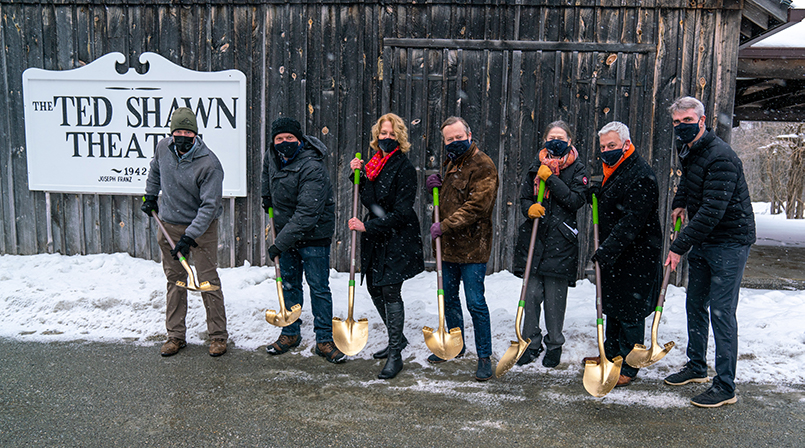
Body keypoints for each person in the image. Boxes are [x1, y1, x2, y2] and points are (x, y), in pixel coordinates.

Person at [663, 96, 756, 408]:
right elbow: (689, 181)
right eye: (677, 123)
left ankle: (725, 385)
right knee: (695, 303)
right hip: (705, 239)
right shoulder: (689, 148)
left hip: (730, 239)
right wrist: (679, 202)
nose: (682, 127)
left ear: (702, 121)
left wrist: (678, 247)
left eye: (688, 121)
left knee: (722, 312)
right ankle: (696, 366)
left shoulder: (722, 157)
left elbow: (711, 212)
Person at [142, 107, 228, 357]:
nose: (182, 136)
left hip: (201, 230)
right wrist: (150, 194)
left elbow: (210, 207)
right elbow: (155, 169)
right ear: (171, 133)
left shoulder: (209, 164)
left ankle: (218, 336)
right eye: (178, 131)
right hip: (168, 225)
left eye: (187, 132)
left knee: (207, 281)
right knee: (176, 280)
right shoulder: (163, 148)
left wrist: (190, 236)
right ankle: (175, 336)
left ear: (196, 134)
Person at [260, 117, 345, 364]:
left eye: (289, 138)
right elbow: (267, 173)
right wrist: (266, 196)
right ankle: (290, 332)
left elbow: (307, 213)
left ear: (299, 139)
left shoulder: (313, 166)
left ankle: (324, 340)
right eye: (279, 139)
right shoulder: (273, 155)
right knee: (289, 284)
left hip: (314, 235)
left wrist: (279, 242)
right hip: (287, 232)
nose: (284, 143)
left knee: (318, 288)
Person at [584, 121, 662, 387]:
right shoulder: (615, 170)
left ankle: (629, 366)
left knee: (629, 311)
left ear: (626, 145)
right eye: (603, 146)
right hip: (618, 255)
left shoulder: (640, 175)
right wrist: (598, 192)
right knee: (614, 307)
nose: (606, 150)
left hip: (636, 256)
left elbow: (632, 221)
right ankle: (611, 353)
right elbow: (614, 203)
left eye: (612, 146)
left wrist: (606, 250)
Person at [348, 113, 425, 379]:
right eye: (383, 134)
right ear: (376, 136)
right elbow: (370, 200)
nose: (387, 138)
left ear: (400, 137)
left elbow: (402, 212)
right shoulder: (374, 165)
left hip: (398, 236)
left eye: (392, 134)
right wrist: (357, 174)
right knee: (374, 287)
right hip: (376, 236)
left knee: (391, 290)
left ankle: (395, 354)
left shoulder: (404, 168)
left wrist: (367, 226)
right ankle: (399, 339)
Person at [425, 116, 499, 381]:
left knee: (475, 302)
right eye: (449, 139)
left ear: (469, 134)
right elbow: (454, 196)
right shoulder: (451, 161)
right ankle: (456, 346)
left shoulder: (483, 165)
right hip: (448, 248)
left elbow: (478, 206)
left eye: (459, 137)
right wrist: (438, 185)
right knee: (450, 299)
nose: (455, 142)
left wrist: (445, 225)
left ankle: (484, 357)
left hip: (471, 249)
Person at [512, 121, 586, 369]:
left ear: (569, 140)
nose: (556, 141)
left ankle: (554, 344)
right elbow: (524, 197)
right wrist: (528, 208)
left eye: (561, 137)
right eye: (551, 136)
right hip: (535, 238)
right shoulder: (535, 166)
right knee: (531, 295)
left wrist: (552, 180)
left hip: (561, 241)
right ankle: (531, 343)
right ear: (545, 139)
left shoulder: (577, 168)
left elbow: (575, 200)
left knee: (555, 299)